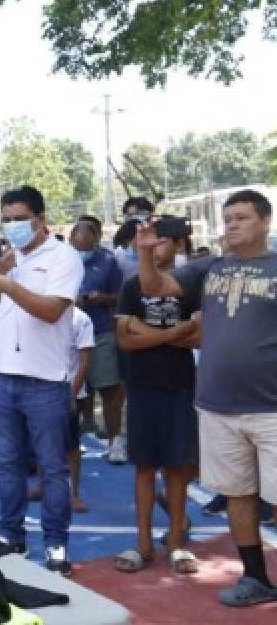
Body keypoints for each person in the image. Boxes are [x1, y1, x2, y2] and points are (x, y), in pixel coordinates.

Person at [136, 190, 277, 606]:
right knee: (237, 493)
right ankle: (255, 578)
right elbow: (154, 287)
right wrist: (146, 253)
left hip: (271, 406)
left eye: (242, 218)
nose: (232, 225)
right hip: (217, 405)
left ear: (265, 222)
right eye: (228, 218)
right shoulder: (210, 267)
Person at [0, 185, 84, 576]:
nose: (13, 225)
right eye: (7, 218)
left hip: (46, 381)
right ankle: (11, 536)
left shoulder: (63, 258)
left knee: (53, 468)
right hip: (1, 378)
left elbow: (52, 311)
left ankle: (55, 543)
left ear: (40, 219)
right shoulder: (4, 261)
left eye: (20, 218)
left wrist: (9, 285)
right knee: (7, 464)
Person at [114, 220, 201, 576]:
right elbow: (124, 340)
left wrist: (144, 330)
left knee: (178, 469)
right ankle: (144, 544)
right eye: (151, 241)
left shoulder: (191, 285)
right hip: (143, 386)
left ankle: (176, 542)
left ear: (179, 245)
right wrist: (175, 331)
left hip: (180, 385)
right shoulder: (132, 287)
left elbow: (198, 338)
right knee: (144, 467)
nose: (156, 247)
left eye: (163, 241)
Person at [70, 221, 127, 463]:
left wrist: (101, 298)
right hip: (67, 335)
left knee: (110, 389)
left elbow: (120, 296)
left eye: (87, 246)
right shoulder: (61, 261)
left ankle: (115, 441)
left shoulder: (108, 262)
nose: (83, 251)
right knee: (72, 392)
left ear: (95, 241)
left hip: (100, 332)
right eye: (78, 246)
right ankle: (74, 443)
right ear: (71, 241)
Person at [66, 306, 95, 513]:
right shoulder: (38, 311)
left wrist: (72, 393)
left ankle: (73, 493)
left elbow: (85, 362)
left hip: (68, 390)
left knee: (72, 446)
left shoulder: (81, 318)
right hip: (41, 389)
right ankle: (42, 486)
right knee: (40, 441)